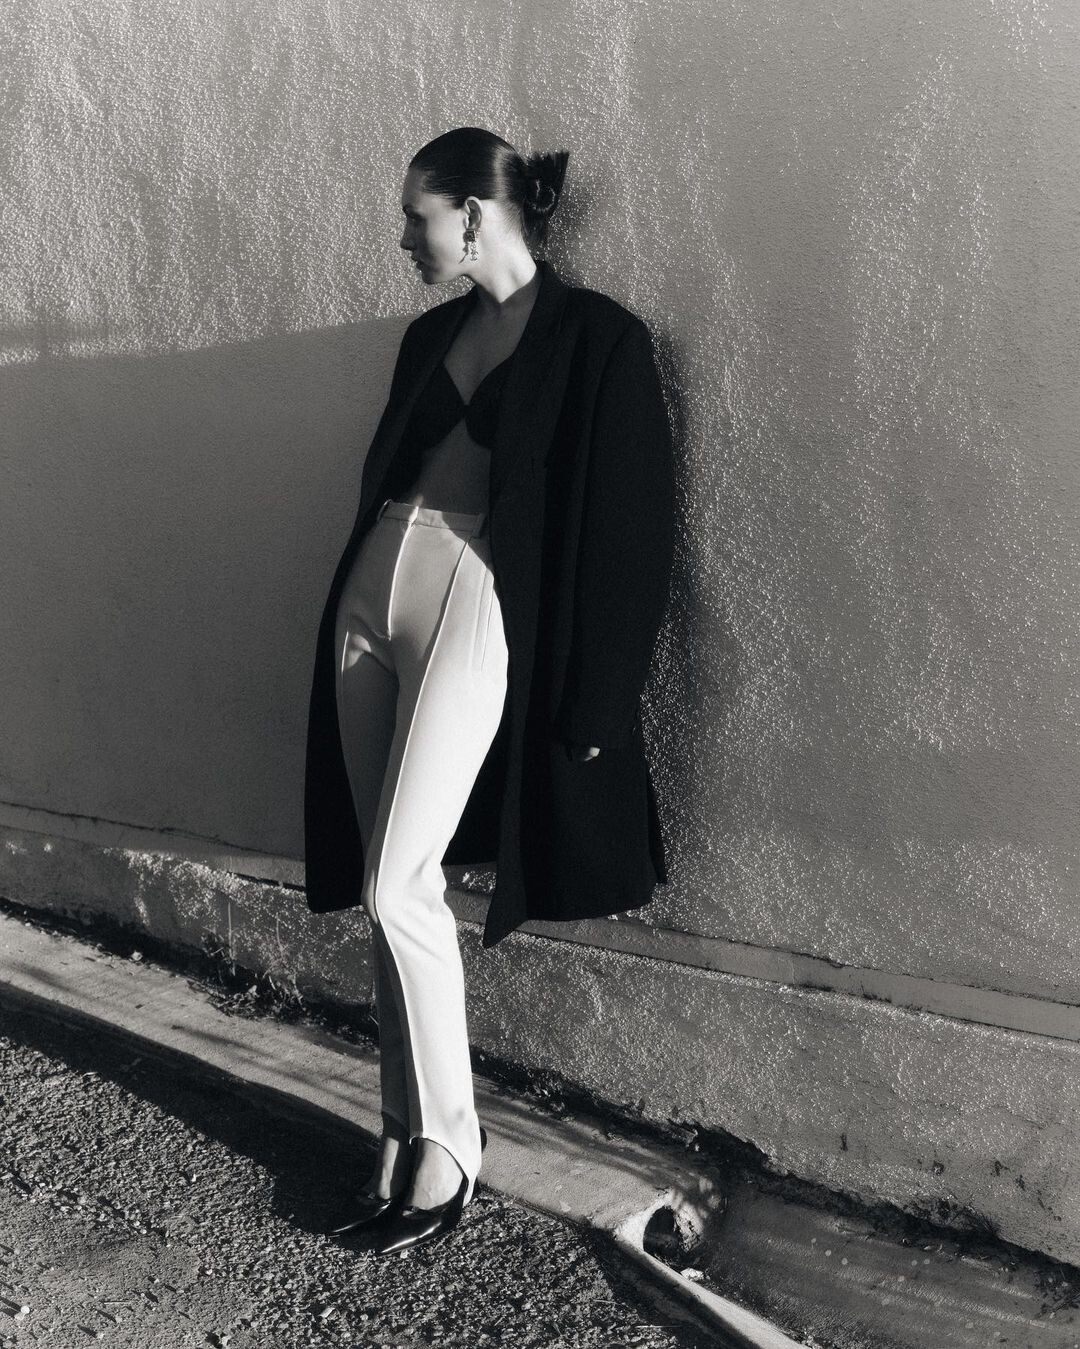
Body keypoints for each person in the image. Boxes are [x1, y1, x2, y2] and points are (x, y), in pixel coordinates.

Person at [305, 127, 676, 1256]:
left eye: (416, 216)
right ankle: (401, 1127)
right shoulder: (431, 334)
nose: (403, 237)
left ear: (473, 214)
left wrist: (602, 699)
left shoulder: (599, 338)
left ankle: (452, 1148)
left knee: (399, 882)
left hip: (474, 593)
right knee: (379, 883)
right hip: (373, 584)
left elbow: (632, 527)